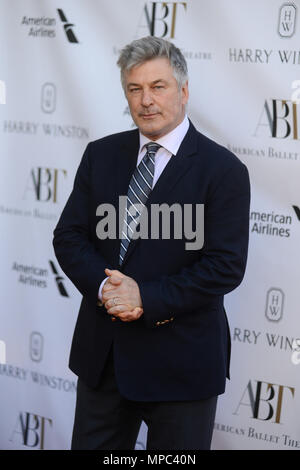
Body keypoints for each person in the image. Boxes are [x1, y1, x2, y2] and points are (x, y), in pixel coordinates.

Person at [53, 36, 250, 450]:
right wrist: (108, 289)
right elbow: (69, 236)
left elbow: (225, 265)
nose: (146, 100)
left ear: (183, 91)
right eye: (135, 88)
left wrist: (144, 295)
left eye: (158, 86)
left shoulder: (224, 170)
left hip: (183, 363)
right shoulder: (100, 155)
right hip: (104, 359)